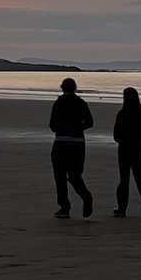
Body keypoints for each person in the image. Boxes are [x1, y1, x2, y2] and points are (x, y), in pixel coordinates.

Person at [49, 77, 94, 218]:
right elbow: (90, 122)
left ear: (62, 88)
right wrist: (78, 128)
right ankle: (86, 195)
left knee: (60, 177)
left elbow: (52, 125)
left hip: (61, 142)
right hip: (78, 143)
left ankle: (64, 208)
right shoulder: (81, 103)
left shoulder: (59, 103)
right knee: (75, 175)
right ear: (74, 88)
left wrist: (62, 128)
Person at [112, 87, 141, 221]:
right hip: (138, 149)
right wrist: (139, 139)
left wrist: (124, 139)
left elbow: (116, 136)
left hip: (124, 149)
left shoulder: (122, 113)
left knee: (124, 180)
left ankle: (121, 209)